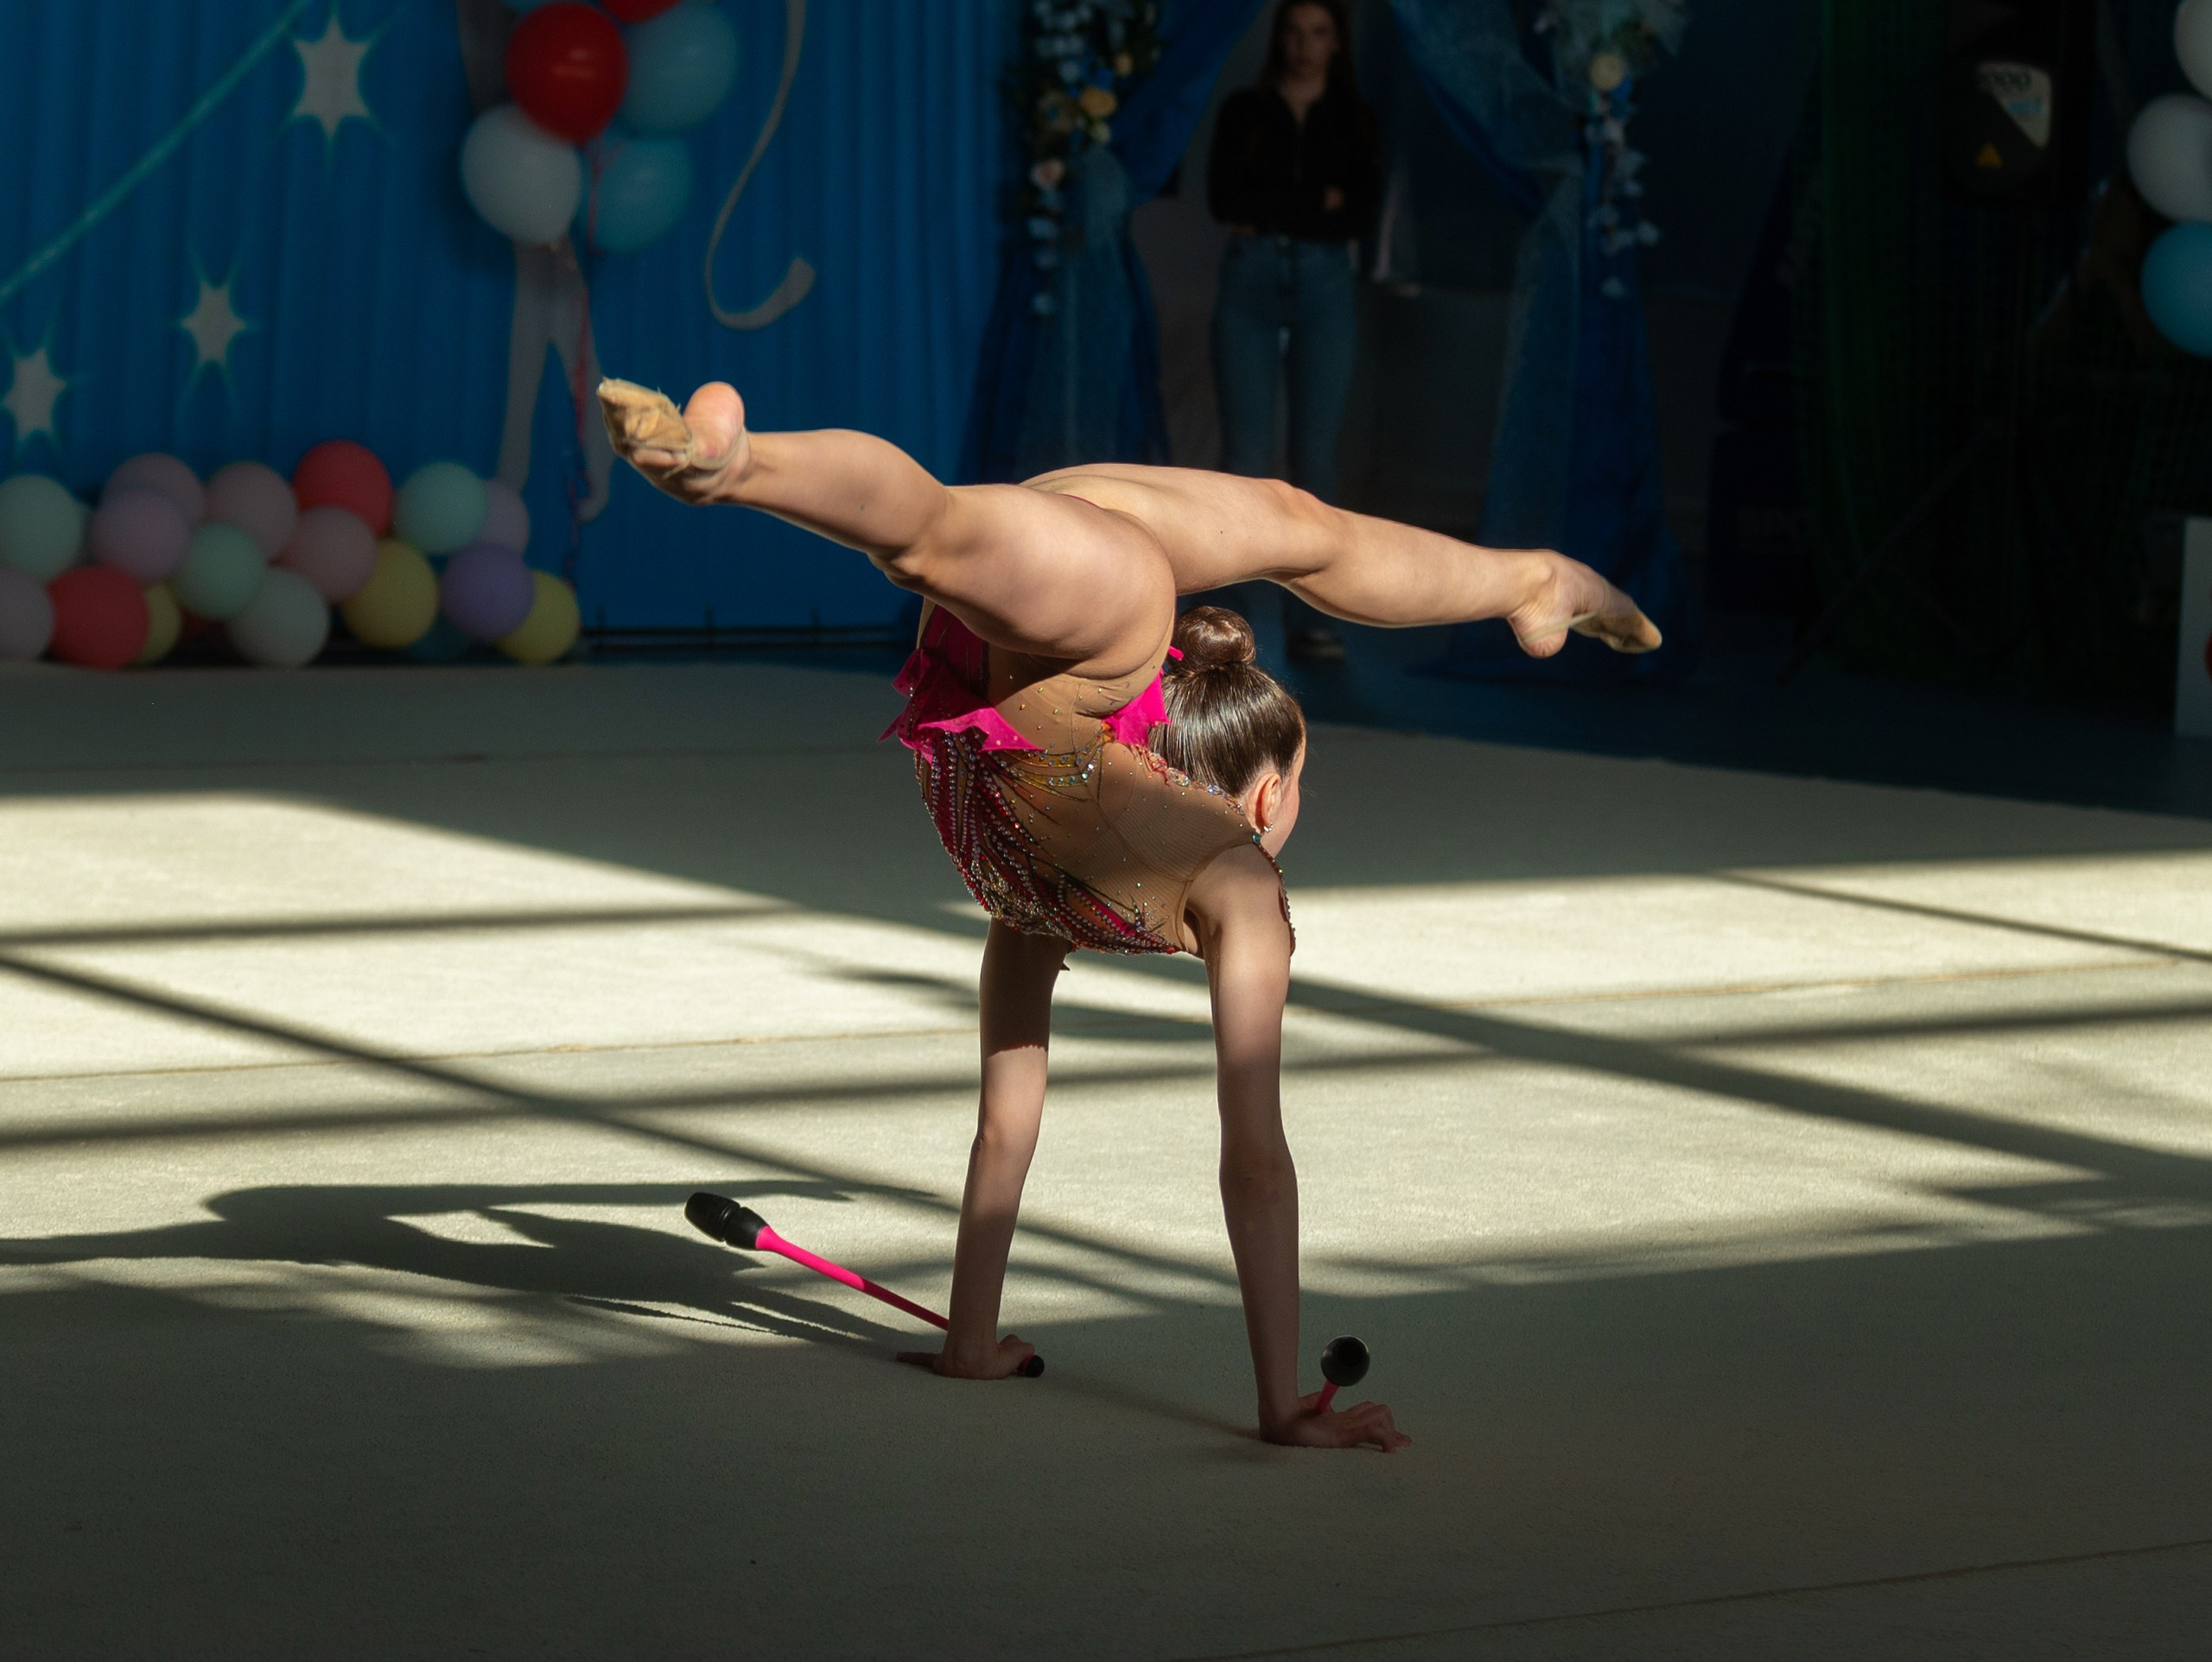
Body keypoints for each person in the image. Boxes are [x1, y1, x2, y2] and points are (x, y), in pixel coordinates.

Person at [601, 378, 1660, 1452]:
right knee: (948, 534)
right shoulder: (1197, 884)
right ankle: (732, 467)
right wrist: (1281, 1405)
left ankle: (1538, 579)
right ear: (1267, 797)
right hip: (1084, 638)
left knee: (1250, 524)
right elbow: (1248, 1153)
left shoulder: (1063, 899)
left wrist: (975, 1342)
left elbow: (1011, 1127)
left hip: (1048, 644)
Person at [1207, 0, 1380, 663]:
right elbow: (1228, 201)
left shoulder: (1354, 119)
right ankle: (1228, 621)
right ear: (1279, 38)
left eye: (1319, 33)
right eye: (1295, 32)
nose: (1305, 46)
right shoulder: (1245, 113)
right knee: (1243, 458)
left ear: (1337, 43)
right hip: (1250, 278)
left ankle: (1315, 616)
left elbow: (1358, 211)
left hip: (1323, 281)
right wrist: (1316, 201)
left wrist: (1283, 203)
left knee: (1314, 459)